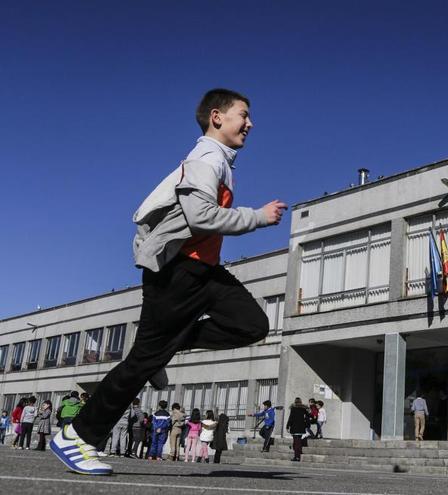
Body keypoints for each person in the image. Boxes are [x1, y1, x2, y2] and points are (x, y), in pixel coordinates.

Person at [49, 88, 287, 476]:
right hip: (176, 273)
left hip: (204, 271)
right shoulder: (205, 158)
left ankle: (169, 346)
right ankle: (76, 437)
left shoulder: (221, 161)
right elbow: (201, 216)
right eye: (243, 115)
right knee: (142, 361)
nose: (250, 123)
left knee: (252, 324)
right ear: (217, 117)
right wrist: (257, 217)